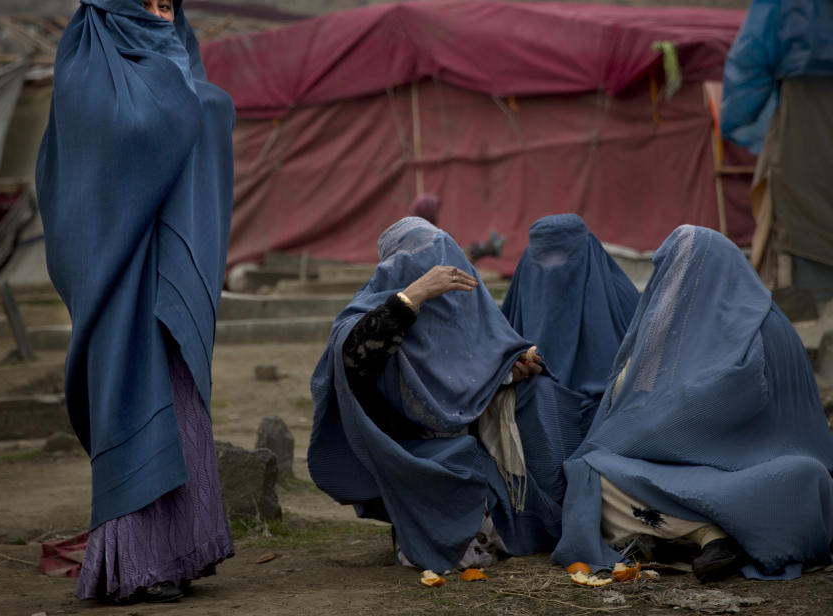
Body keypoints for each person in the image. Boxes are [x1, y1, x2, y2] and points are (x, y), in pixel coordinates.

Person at [36, 0, 235, 603]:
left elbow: (206, 120)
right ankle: (134, 564)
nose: (158, 19)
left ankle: (178, 555)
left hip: (172, 276)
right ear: (113, 13)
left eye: (167, 8)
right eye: (145, 7)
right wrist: (185, 98)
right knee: (134, 404)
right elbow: (134, 137)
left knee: (180, 412)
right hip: (120, 281)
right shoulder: (89, 75)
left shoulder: (184, 76)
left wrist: (189, 95)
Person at [309, 217, 591, 573]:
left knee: (541, 394)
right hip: (408, 448)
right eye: (418, 260)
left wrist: (511, 372)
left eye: (444, 256)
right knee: (458, 474)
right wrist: (413, 296)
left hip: (473, 443)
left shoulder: (463, 308)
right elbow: (355, 359)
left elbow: (482, 358)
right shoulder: (369, 312)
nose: (434, 267)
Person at [551, 225, 833, 582]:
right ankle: (710, 536)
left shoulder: (766, 331)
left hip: (756, 469)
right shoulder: (685, 325)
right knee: (593, 475)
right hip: (686, 468)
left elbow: (713, 413)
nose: (670, 287)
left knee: (806, 478)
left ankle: (692, 535)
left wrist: (639, 431)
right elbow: (641, 391)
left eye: (680, 276)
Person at [501, 214, 640, 433]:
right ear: (530, 259)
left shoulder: (626, 305)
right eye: (545, 258)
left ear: (587, 251)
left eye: (564, 256)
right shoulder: (519, 300)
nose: (554, 267)